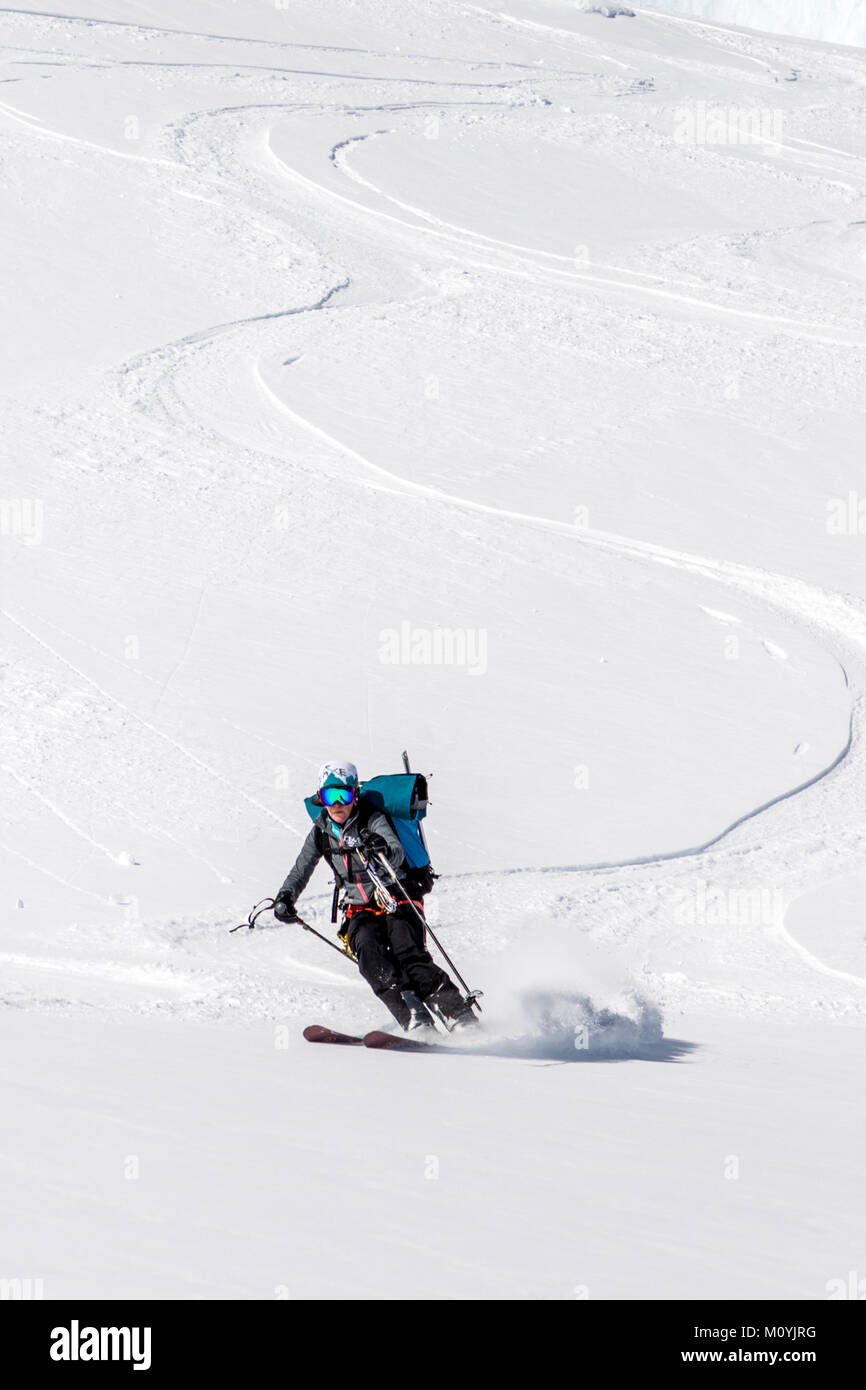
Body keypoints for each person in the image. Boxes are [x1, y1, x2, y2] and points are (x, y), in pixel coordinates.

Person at [273, 760, 477, 1033]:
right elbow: (301, 868)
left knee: (409, 956)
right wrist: (285, 897)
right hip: (358, 906)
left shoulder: (373, 819)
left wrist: (379, 846)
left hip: (396, 893)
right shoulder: (321, 832)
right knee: (371, 958)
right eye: (328, 796)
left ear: (353, 795)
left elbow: (395, 851)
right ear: (320, 799)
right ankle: (415, 1021)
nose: (336, 804)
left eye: (342, 795)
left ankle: (460, 1018)